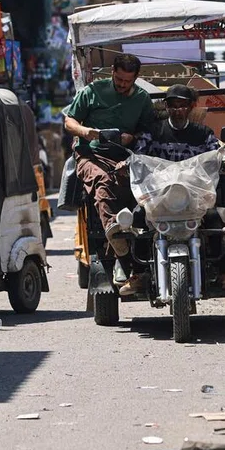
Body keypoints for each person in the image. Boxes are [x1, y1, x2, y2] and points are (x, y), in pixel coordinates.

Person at [131, 84, 225, 294]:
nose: (177, 110)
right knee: (136, 218)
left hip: (195, 199)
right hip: (159, 198)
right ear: (166, 106)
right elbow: (138, 156)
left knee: (218, 220)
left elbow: (215, 153)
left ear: (191, 107)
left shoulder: (203, 133)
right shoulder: (152, 132)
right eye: (173, 105)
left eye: (182, 105)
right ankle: (138, 273)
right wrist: (127, 164)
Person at [63, 54, 155, 293]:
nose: (122, 84)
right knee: (103, 181)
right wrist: (87, 132)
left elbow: (148, 132)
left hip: (126, 156)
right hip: (91, 156)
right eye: (119, 79)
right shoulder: (93, 91)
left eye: (127, 81)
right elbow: (69, 122)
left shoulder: (143, 100)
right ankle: (119, 243)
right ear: (112, 72)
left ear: (135, 78)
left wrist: (131, 138)